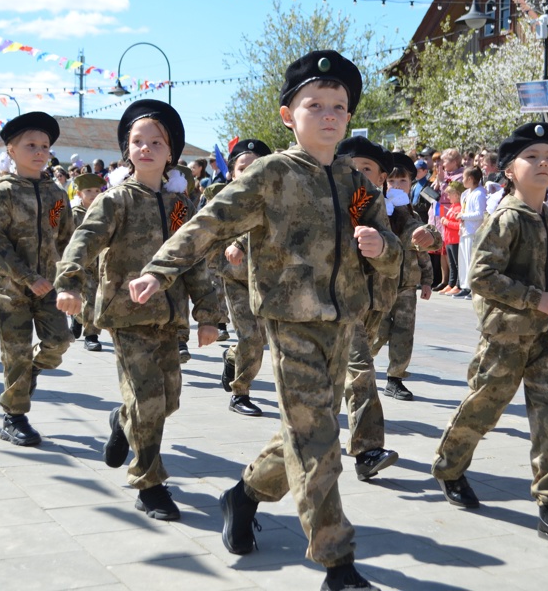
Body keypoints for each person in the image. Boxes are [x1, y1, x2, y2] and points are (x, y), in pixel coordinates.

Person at [126, 50, 400, 591]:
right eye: (314, 104)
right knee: (319, 441)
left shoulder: (355, 180)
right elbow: (208, 224)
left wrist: (383, 245)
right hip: (289, 320)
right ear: (288, 115)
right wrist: (159, 271)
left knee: (305, 430)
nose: (328, 115)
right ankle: (337, 564)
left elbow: (389, 248)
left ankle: (244, 495)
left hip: (345, 321)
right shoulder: (273, 174)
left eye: (338, 107)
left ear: (348, 117)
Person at [55, 99, 221, 522]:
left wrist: (208, 314)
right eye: (137, 141)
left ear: (171, 152)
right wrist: (69, 283)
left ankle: (121, 420)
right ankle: (150, 484)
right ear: (127, 149)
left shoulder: (181, 205)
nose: (145, 148)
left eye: (156, 142)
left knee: (168, 400)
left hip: (170, 318)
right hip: (126, 315)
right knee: (149, 402)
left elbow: (195, 260)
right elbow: (84, 241)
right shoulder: (115, 201)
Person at [431, 122, 548, 553]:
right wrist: (532, 299)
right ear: (509, 170)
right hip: (507, 338)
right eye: (532, 158)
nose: (544, 165)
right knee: (482, 409)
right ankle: (449, 467)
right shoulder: (506, 217)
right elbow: (480, 276)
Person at [337, 135, 437, 480]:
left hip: (378, 305)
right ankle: (367, 451)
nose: (360, 175)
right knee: (361, 372)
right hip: (336, 308)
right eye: (353, 168)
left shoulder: (393, 209)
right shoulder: (327, 205)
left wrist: (428, 235)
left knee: (351, 373)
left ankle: (333, 426)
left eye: (368, 169)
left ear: (381, 178)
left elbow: (421, 233)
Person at [0, 112, 75, 447]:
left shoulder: (56, 194)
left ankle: (32, 371)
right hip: (14, 290)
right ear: (11, 150)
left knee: (61, 341)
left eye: (45, 146)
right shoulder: (4, 193)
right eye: (31, 145)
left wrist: (69, 279)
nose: (40, 151)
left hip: (49, 288)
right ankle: (14, 416)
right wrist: (26, 277)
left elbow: (65, 237)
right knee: (15, 353)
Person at [212, 138, 274, 417]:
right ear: (231, 172)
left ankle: (231, 356)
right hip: (235, 278)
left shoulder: (276, 199)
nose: (248, 173)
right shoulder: (223, 198)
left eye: (256, 167)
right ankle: (240, 393)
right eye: (242, 167)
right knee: (251, 337)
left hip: (266, 279)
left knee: (259, 339)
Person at [372, 153, 440, 401]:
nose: (398, 186)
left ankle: (395, 378)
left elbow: (422, 251)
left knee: (403, 332)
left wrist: (426, 280)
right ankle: (358, 367)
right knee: (378, 331)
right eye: (393, 182)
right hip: (380, 283)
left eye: (403, 181)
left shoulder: (413, 217)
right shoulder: (378, 212)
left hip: (407, 285)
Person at [68, 173, 106, 352]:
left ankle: (78, 319)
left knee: (97, 299)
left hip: (102, 265)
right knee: (90, 298)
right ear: (79, 194)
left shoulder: (105, 213)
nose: (93, 194)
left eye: (97, 190)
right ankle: (91, 335)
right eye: (88, 191)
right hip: (83, 264)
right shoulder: (75, 214)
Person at [455, 167, 486, 297]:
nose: (462, 180)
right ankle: (465, 285)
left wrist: (464, 216)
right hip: (465, 230)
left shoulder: (480, 193)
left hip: (474, 231)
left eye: (464, 178)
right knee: (464, 260)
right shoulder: (466, 193)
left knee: (471, 260)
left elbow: (480, 214)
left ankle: (473, 287)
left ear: (471, 179)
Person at [439, 182, 464, 295]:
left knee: (457, 264)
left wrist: (447, 222)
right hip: (449, 240)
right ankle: (451, 283)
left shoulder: (459, 208)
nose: (448, 197)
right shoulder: (452, 207)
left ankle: (458, 285)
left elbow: (459, 225)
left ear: (457, 195)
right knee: (452, 264)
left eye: (450, 194)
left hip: (456, 240)